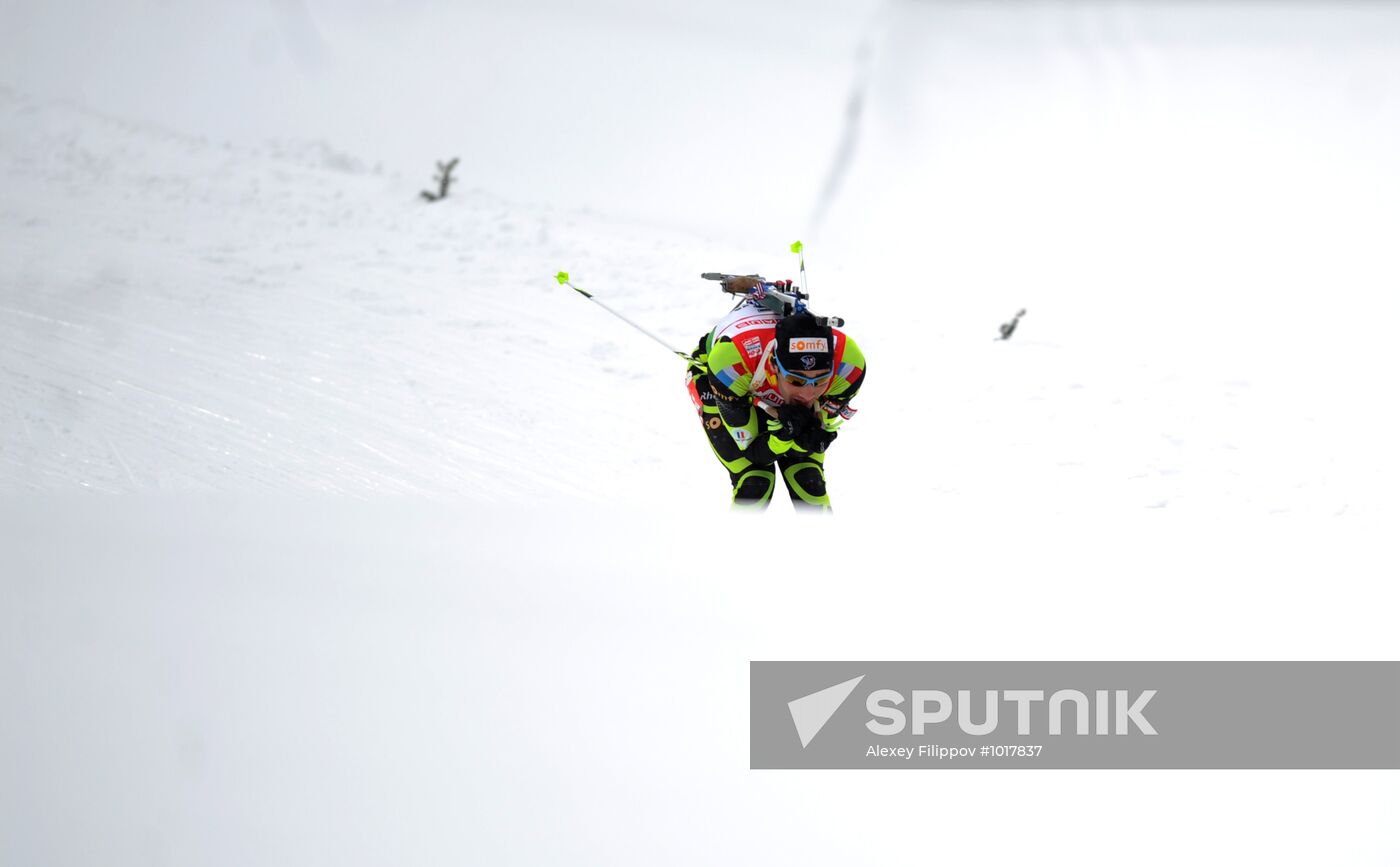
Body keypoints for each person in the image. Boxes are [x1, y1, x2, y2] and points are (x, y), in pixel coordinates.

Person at [686, 277, 866, 509]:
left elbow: (812, 439)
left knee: (807, 478)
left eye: (821, 380)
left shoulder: (849, 367)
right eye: (796, 380)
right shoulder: (730, 366)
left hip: (760, 382)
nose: (809, 393)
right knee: (755, 480)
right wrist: (780, 439)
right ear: (773, 366)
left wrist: (806, 438)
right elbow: (753, 452)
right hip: (730, 381)